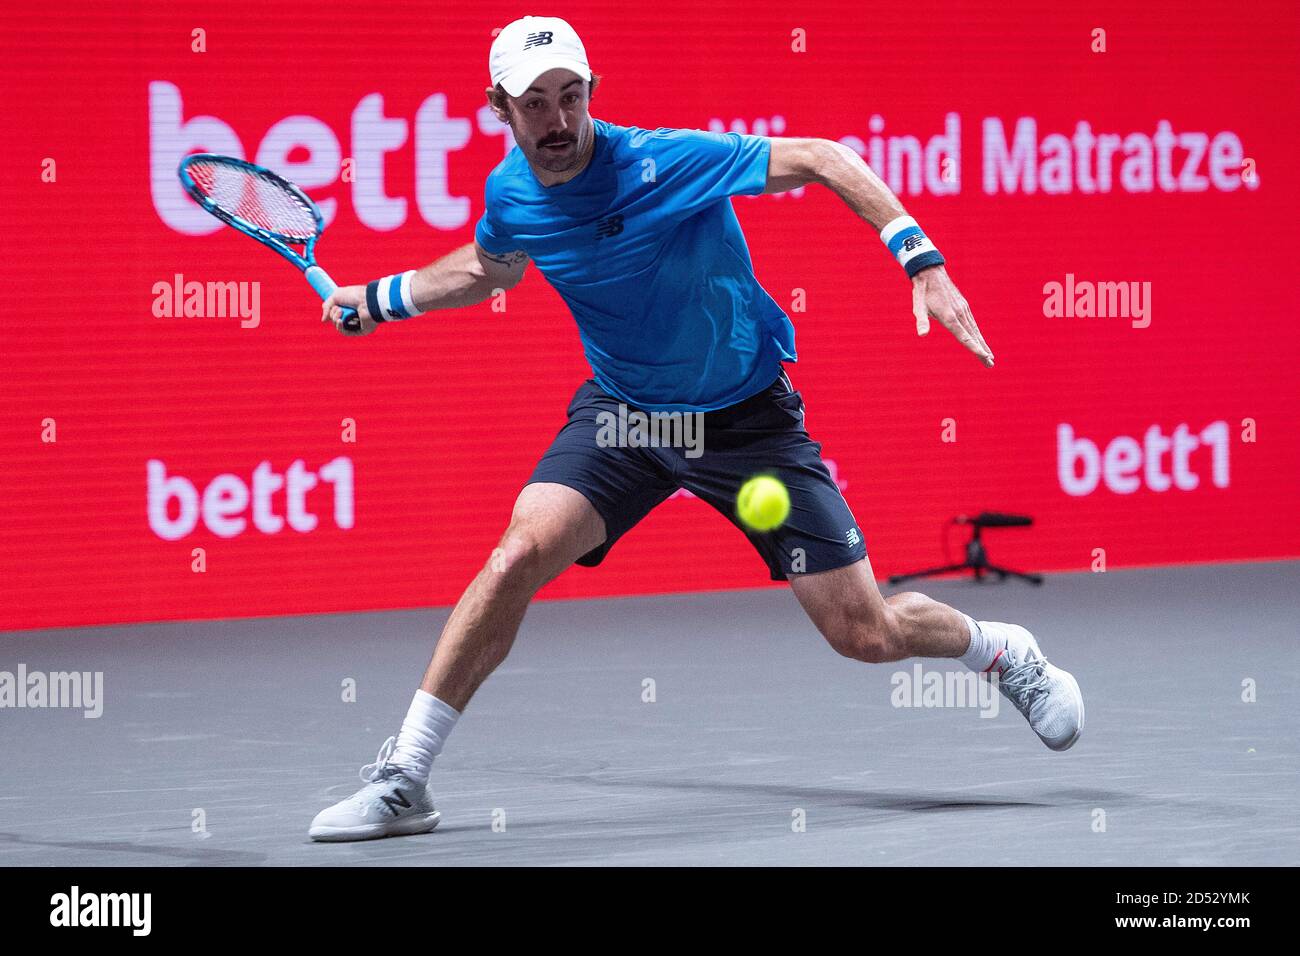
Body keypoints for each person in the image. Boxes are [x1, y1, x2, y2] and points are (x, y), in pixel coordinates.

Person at [309, 15, 1083, 842]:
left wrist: (920, 259)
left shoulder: (663, 161)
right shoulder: (511, 195)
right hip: (626, 417)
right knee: (518, 554)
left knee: (864, 634)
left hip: (745, 420)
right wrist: (382, 299)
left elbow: (823, 157)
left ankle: (999, 651)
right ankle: (405, 780)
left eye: (571, 96)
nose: (558, 120)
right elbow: (488, 267)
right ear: (499, 107)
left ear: (592, 93)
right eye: (535, 103)